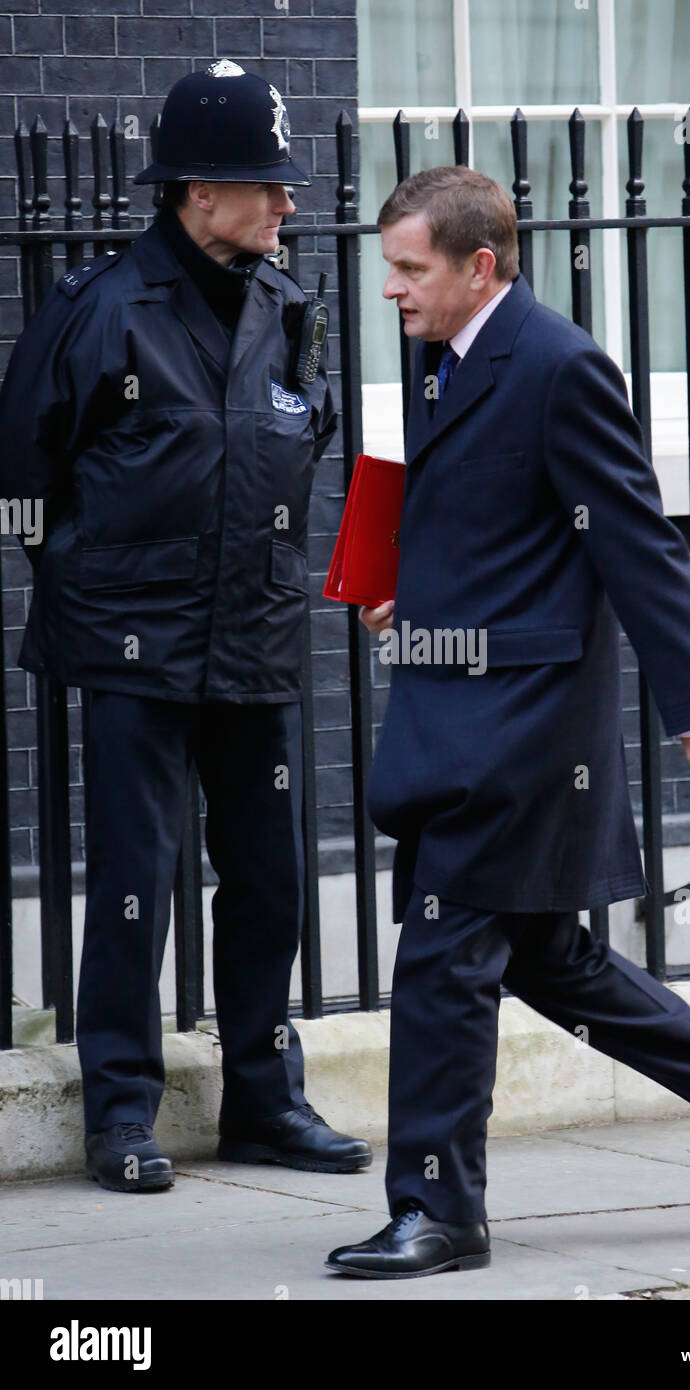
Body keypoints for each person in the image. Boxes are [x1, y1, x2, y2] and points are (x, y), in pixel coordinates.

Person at [325, 166, 690, 1279]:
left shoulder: (557, 364)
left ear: (477, 265)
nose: (389, 290)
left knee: (442, 960)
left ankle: (439, 1209)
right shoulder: (440, 352)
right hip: (462, 696)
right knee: (546, 955)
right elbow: (498, 524)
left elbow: (633, 540)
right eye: (387, 268)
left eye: (408, 269)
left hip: (521, 726)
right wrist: (413, 591)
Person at [0, 62, 372, 1193]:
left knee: (270, 880)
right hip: (136, 647)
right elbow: (24, 478)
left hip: (253, 639)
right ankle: (121, 1112)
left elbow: (310, 449)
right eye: (263, 186)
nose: (286, 205)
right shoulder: (98, 307)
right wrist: (97, 587)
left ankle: (265, 1098)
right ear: (195, 193)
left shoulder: (289, 305)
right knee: (132, 878)